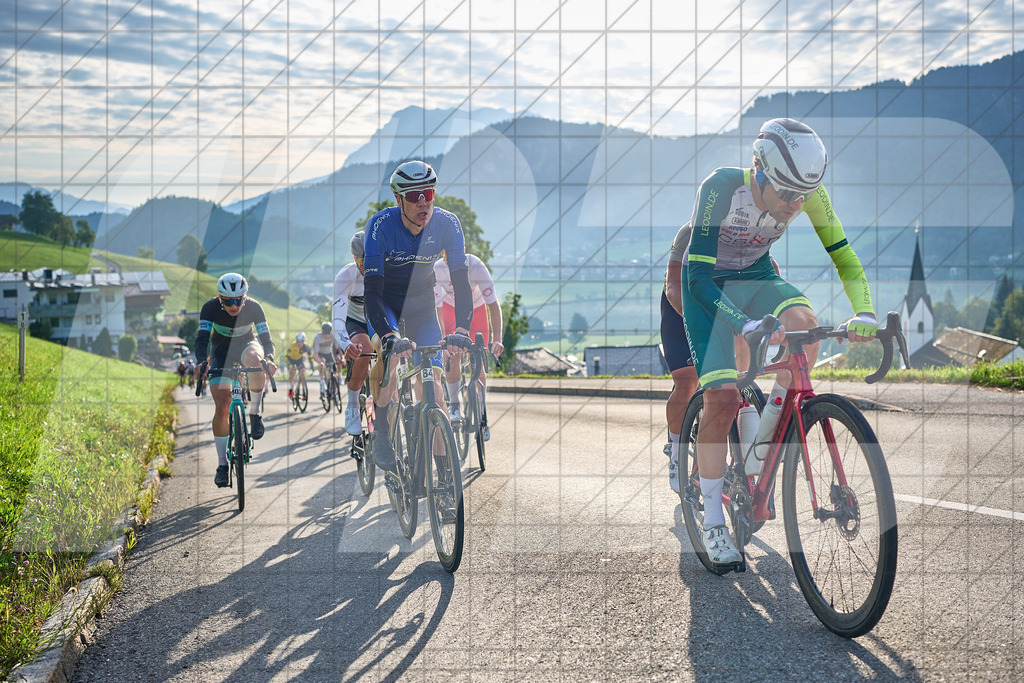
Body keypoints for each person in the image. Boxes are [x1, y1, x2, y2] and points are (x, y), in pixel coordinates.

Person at [681, 118, 878, 569]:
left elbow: (843, 254)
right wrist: (742, 323)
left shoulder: (807, 194)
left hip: (758, 277)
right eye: (786, 195)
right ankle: (713, 520)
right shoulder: (720, 189)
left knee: (805, 329)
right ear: (759, 172)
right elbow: (696, 278)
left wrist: (864, 310)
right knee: (723, 398)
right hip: (708, 287)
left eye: (802, 197)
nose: (795, 206)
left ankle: (762, 447)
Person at [363, 160, 474, 475]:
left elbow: (460, 280)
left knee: (434, 388)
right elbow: (371, 292)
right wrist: (388, 337)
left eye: (428, 192)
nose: (423, 201)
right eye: (413, 197)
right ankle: (382, 433)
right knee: (390, 363)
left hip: (423, 306)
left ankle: (444, 478)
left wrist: (462, 329)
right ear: (399, 200)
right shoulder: (380, 226)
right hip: (386, 306)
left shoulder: (447, 224)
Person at [661, 223, 780, 494]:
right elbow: (673, 288)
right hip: (684, 301)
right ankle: (678, 454)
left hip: (729, 305)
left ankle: (734, 462)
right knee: (686, 380)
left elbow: (770, 273)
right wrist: (703, 329)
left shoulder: (752, 226)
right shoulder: (690, 232)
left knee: (737, 379)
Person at [193, 273, 278, 488]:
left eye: (238, 300)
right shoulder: (209, 308)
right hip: (221, 352)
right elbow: (202, 340)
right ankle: (222, 465)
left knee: (256, 360)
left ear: (245, 297)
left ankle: (255, 413)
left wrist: (269, 358)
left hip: (247, 345)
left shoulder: (254, 307)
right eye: (228, 301)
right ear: (219, 298)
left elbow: (266, 339)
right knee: (222, 404)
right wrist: (202, 362)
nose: (234, 305)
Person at [433, 253, 503, 438]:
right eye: (447, 255)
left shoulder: (476, 265)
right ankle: (454, 405)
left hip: (477, 308)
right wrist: (442, 338)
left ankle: (482, 412)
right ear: (443, 255)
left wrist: (497, 338)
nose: (451, 258)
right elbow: (436, 309)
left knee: (478, 358)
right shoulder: (438, 269)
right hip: (450, 310)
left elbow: (494, 305)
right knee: (451, 353)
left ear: (462, 249)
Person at [333, 231, 372, 436]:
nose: (367, 266)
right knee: (364, 350)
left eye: (373, 259)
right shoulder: (346, 276)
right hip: (355, 321)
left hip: (378, 320)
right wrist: (346, 343)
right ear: (355, 258)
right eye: (363, 261)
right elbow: (338, 319)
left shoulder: (389, 271)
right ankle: (352, 405)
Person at [311, 322, 340, 397]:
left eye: (328, 334)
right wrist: (320, 362)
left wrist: (341, 357)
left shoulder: (333, 335)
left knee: (334, 372)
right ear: (322, 332)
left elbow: (338, 348)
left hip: (329, 354)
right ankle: (321, 381)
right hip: (319, 354)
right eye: (325, 334)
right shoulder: (318, 337)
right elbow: (315, 353)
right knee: (322, 362)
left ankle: (335, 390)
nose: (327, 336)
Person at [283, 332, 315, 398]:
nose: (299, 343)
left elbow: (310, 357)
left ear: (304, 341)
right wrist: (290, 365)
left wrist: (312, 365)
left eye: (301, 342)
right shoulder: (291, 346)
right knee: (292, 373)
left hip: (300, 361)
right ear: (296, 341)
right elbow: (286, 357)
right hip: (291, 361)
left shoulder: (306, 347)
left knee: (302, 373)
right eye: (298, 341)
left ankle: (304, 390)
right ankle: (291, 389)